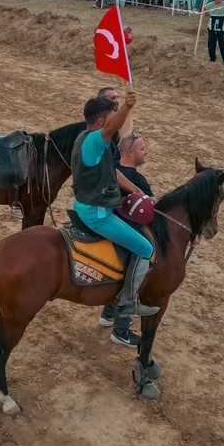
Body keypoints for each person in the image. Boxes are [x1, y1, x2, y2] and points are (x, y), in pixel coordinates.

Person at [72, 91, 158, 319]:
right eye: (112, 117)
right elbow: (112, 128)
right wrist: (127, 107)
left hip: (85, 205)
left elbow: (112, 171)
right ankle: (128, 302)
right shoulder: (94, 141)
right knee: (145, 248)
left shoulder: (84, 138)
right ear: (101, 122)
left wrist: (135, 190)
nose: (115, 126)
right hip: (97, 214)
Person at [98, 131, 154, 347]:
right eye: (142, 148)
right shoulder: (137, 179)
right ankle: (121, 328)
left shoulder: (115, 169)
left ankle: (108, 312)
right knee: (144, 253)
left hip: (108, 220)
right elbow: (151, 211)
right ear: (130, 152)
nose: (146, 150)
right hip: (119, 227)